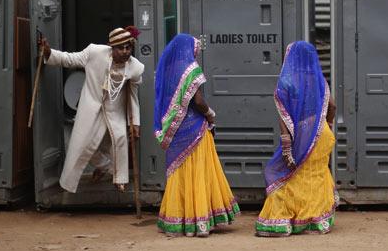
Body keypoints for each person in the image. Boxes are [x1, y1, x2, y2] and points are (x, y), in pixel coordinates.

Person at [38, 26, 145, 193]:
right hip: (91, 109)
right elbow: (70, 59)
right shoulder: (94, 52)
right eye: (120, 48)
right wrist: (48, 52)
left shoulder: (135, 67)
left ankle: (120, 179)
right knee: (83, 145)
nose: (125, 52)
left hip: (115, 111)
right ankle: (106, 167)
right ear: (111, 47)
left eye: (128, 47)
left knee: (121, 139)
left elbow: (132, 96)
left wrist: (135, 122)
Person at [154, 33, 239, 237]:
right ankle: (200, 220)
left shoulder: (166, 71)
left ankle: (178, 220)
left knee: (179, 173)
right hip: (194, 129)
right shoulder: (191, 70)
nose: (196, 53)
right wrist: (211, 115)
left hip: (176, 132)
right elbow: (198, 101)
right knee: (198, 172)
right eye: (195, 49)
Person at [255, 41, 337, 237]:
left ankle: (282, 220)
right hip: (322, 133)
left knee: (286, 173)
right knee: (314, 175)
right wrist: (327, 127)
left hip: (301, 135)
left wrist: (286, 146)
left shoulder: (288, 81)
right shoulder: (318, 80)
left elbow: (284, 116)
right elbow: (332, 106)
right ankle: (315, 220)